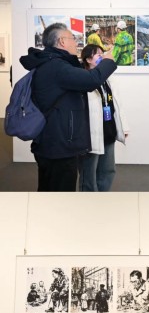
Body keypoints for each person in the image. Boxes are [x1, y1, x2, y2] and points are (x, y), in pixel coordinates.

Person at [19, 22, 117, 191]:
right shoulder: (57, 66)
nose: (76, 42)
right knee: (60, 192)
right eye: (73, 38)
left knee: (50, 188)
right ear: (62, 41)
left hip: (53, 140)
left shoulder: (52, 64)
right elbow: (91, 80)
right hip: (59, 145)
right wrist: (107, 61)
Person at [79, 44, 129, 191]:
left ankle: (102, 198)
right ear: (88, 59)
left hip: (108, 132)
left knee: (108, 171)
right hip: (91, 136)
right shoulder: (83, 80)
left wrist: (123, 127)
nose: (102, 57)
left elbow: (117, 105)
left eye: (103, 53)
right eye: (98, 54)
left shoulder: (108, 79)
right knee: (89, 174)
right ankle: (89, 201)